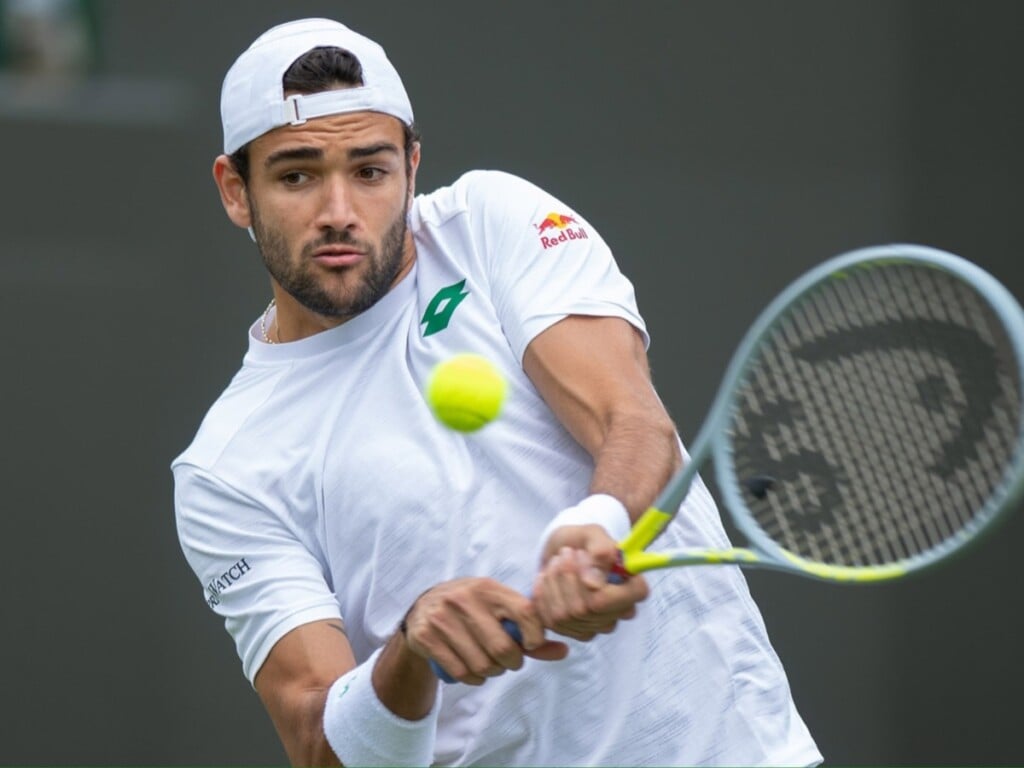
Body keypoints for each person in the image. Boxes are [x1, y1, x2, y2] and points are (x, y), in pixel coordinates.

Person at [172, 17, 822, 767]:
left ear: (413, 166)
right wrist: (411, 653)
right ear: (235, 190)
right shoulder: (226, 468)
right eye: (297, 175)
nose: (339, 211)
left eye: (371, 169)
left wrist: (599, 525)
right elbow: (320, 747)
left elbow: (631, 419)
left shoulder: (491, 223)